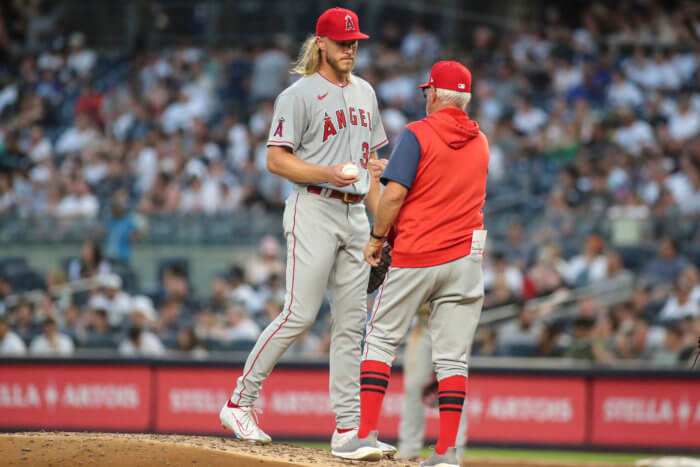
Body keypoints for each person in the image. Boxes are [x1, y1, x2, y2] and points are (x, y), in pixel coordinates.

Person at [219, 7, 395, 457]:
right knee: (299, 314)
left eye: (355, 43)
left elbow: (373, 171)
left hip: (357, 213)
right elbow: (275, 159)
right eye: (342, 43)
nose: (351, 50)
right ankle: (240, 402)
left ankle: (348, 429)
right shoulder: (297, 95)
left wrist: (382, 231)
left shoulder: (366, 92)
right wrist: (325, 173)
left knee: (351, 324)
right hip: (313, 207)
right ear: (322, 44)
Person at [332, 61, 488, 467]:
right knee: (453, 360)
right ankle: (446, 455)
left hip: (418, 253)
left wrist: (377, 238)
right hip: (466, 260)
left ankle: (364, 434)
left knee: (380, 340)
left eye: (427, 91)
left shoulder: (417, 133)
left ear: (434, 94)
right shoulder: (482, 142)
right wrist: (396, 171)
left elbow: (396, 197)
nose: (425, 97)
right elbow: (443, 182)